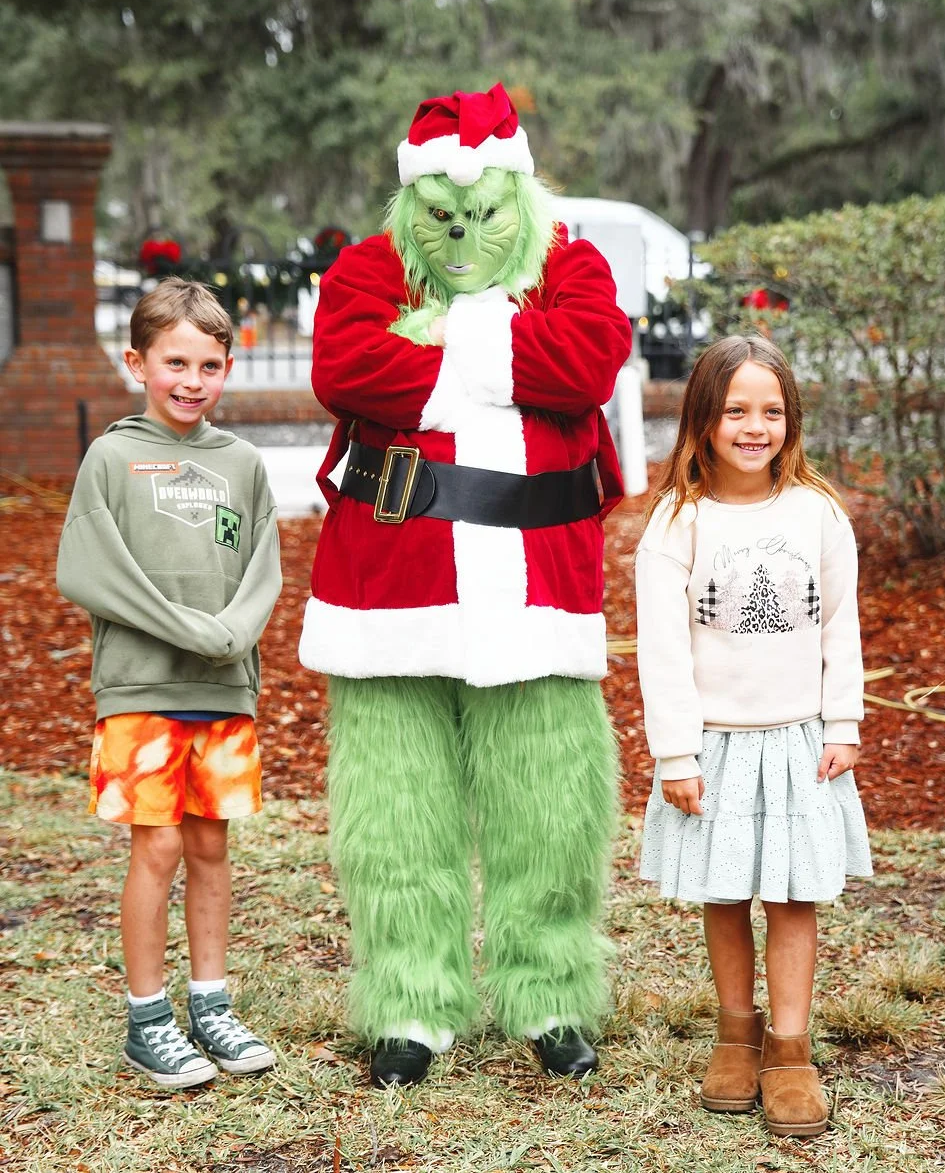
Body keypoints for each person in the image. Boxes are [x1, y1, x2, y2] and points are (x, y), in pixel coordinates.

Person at [298, 83, 633, 1087]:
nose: (462, 234)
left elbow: (585, 363)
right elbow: (345, 368)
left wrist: (441, 340)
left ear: (519, 197)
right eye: (442, 217)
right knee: (398, 812)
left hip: (538, 589)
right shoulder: (367, 266)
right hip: (388, 586)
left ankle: (552, 993)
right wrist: (498, 355)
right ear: (412, 208)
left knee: (549, 807)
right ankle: (410, 1001)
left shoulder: (572, 264)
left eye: (483, 214)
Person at [634, 332, 872, 1138]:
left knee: (794, 893)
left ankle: (791, 1047)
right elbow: (662, 648)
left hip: (801, 741)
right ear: (702, 419)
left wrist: (843, 722)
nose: (753, 425)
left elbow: (842, 626)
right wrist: (676, 751)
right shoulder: (678, 521)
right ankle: (737, 1033)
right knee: (727, 890)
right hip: (717, 745)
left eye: (770, 410)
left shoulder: (817, 514)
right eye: (735, 409)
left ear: (791, 421)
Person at [56, 277, 282, 1089]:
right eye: (175, 361)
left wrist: (232, 632)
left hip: (225, 688)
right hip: (140, 689)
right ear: (137, 361)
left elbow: (264, 568)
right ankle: (147, 1019)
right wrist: (192, 630)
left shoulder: (243, 463)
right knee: (154, 847)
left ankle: (210, 1003)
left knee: (211, 847)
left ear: (227, 368)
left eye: (209, 364)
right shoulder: (112, 456)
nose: (192, 379)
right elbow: (88, 568)